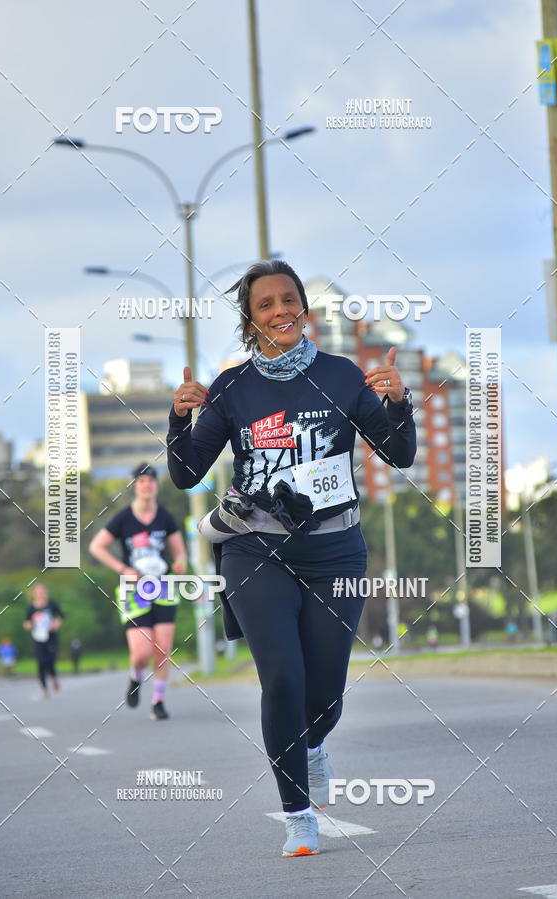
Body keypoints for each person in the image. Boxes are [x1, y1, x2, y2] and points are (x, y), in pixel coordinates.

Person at [166, 259, 416, 857]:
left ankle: (312, 745)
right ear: (250, 320)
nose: (279, 312)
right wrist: (179, 418)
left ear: (304, 307)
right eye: (265, 305)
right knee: (282, 677)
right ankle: (298, 815)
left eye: (288, 301)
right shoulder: (232, 388)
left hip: (335, 551)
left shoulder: (340, 374)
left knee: (324, 694)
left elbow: (399, 453)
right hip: (255, 547)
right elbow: (185, 474)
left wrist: (401, 401)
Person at [89, 463, 187, 721]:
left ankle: (158, 700)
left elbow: (179, 551)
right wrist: (122, 568)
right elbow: (97, 547)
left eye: (151, 481)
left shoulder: (165, 517)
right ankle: (135, 678)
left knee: (163, 648)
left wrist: (180, 563)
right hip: (134, 589)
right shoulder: (123, 519)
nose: (147, 485)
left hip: (163, 585)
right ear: (135, 486)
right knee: (142, 652)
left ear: (156, 485)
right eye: (142, 481)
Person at [23, 584, 64, 698]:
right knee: (41, 663)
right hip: (38, 638)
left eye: (43, 592)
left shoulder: (52, 604)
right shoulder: (31, 608)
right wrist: (28, 625)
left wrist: (56, 623)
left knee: (50, 661)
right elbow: (26, 622)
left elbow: (61, 615)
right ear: (34, 594)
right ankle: (45, 690)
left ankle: (54, 678)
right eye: (39, 592)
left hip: (51, 637)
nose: (41, 594)